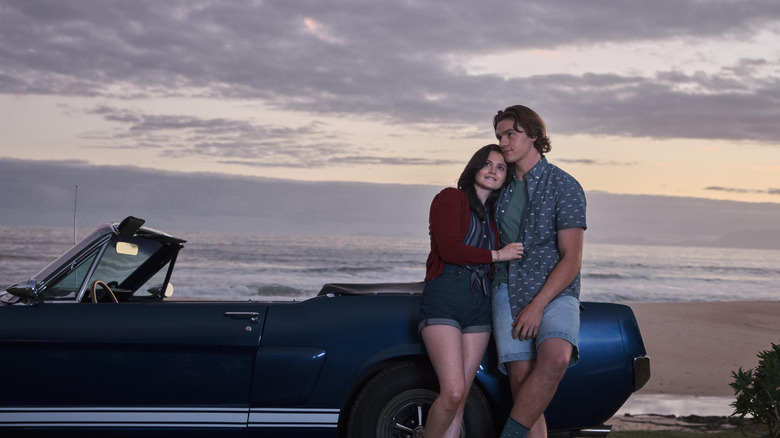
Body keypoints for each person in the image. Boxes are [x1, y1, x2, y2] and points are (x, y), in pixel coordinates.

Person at [491, 105, 587, 438]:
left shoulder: (565, 185)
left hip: (556, 292)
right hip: (506, 288)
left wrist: (537, 305)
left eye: (511, 134)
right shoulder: (497, 189)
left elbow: (571, 258)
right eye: (500, 135)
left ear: (534, 135)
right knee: (521, 381)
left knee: (556, 359)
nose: (503, 142)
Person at [420, 144, 525, 438]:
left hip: (480, 304)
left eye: (501, 167)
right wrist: (498, 255)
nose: (493, 171)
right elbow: (449, 249)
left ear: (506, 177)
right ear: (474, 168)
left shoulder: (492, 220)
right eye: (487, 164)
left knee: (463, 398)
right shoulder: (450, 198)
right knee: (452, 392)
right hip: (445, 296)